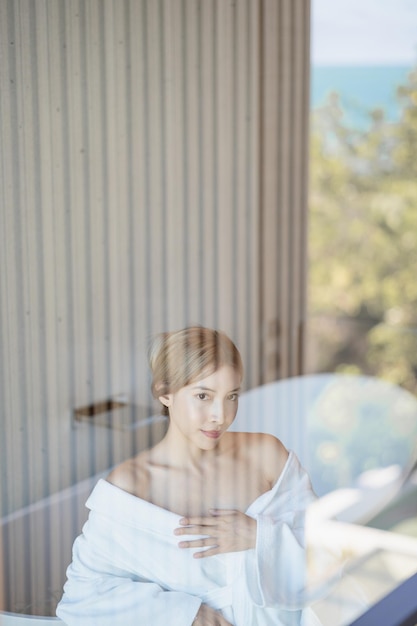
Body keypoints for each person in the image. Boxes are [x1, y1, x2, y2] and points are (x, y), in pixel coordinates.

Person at [57, 326, 319, 625]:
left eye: (232, 395)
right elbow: (83, 597)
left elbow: (329, 554)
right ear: (164, 393)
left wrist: (261, 537)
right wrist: (184, 614)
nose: (220, 415)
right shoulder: (133, 487)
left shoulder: (266, 456)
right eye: (203, 395)